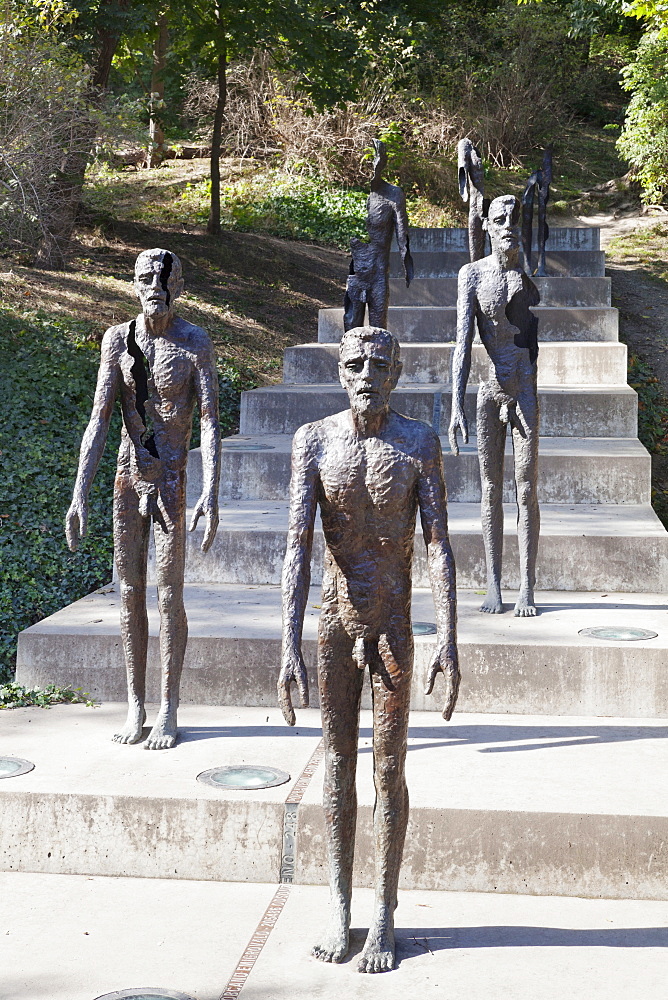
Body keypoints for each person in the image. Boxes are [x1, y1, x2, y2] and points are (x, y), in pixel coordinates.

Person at [278, 325, 460, 973]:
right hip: (333, 623)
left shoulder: (417, 443)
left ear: (397, 373)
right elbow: (298, 544)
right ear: (339, 372)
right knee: (336, 767)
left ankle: (382, 914)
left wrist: (450, 635)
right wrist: (288, 644)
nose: (365, 374)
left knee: (388, 769)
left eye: (379, 365)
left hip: (392, 626)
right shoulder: (314, 442)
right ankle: (338, 907)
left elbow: (438, 543)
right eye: (354, 364)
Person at [66, 248, 220, 748]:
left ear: (179, 286)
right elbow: (100, 417)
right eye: (144, 277)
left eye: (163, 277)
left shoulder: (195, 343)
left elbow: (211, 423)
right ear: (134, 285)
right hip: (127, 477)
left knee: (168, 593)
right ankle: (136, 704)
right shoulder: (118, 340)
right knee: (129, 592)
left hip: (173, 479)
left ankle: (168, 707)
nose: (154, 284)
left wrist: (211, 490)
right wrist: (79, 493)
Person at [449, 195, 541, 617]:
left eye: (513, 220)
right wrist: (455, 406)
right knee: (490, 490)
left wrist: (519, 268)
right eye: (499, 220)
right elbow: (462, 345)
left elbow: (531, 338)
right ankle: (493, 585)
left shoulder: (523, 275)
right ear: (486, 226)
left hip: (523, 387)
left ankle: (527, 587)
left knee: (526, 489)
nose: (508, 226)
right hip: (489, 389)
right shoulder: (471, 276)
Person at [343, 139, 413, 332]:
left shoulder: (393, 194)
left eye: (377, 160)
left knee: (378, 325)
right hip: (358, 269)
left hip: (379, 269)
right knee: (351, 325)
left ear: (382, 162)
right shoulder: (370, 197)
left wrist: (407, 264)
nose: (373, 167)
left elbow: (402, 232)